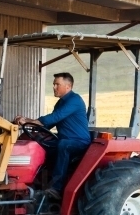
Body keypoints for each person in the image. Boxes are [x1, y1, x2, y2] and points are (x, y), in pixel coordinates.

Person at [13, 72, 91, 200]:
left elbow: (55, 117)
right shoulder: (60, 103)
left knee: (63, 145)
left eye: (57, 84)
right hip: (65, 139)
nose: (54, 87)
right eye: (53, 84)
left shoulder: (74, 100)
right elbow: (47, 125)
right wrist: (28, 124)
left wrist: (29, 120)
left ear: (68, 86)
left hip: (79, 142)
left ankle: (56, 188)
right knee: (39, 144)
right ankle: (36, 182)